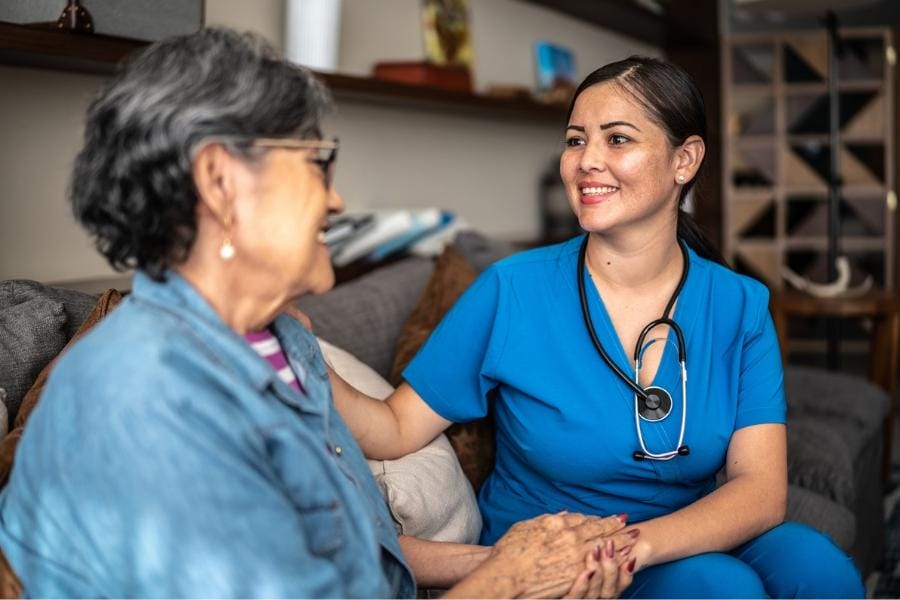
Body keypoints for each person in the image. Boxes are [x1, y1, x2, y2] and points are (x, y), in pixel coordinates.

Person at [0, 28, 637, 598]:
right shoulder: (144, 401)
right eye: (315, 163)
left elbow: (348, 550)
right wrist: (508, 581)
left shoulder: (281, 339)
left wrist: (500, 559)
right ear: (220, 181)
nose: (336, 200)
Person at [329, 56, 866, 598]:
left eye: (617, 140)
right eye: (575, 140)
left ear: (685, 159)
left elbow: (759, 490)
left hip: (678, 533)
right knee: (719, 587)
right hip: (556, 551)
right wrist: (292, 344)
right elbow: (395, 428)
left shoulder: (740, 305)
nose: (586, 161)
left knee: (819, 569)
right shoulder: (511, 290)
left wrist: (630, 546)